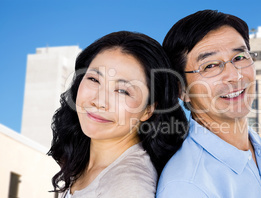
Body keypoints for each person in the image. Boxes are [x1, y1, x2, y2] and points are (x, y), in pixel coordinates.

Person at [156, 10, 261, 197]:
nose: (235, 76)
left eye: (240, 58)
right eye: (210, 66)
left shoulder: (256, 146)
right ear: (182, 90)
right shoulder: (186, 186)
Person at [48, 31, 188, 197]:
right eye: (94, 79)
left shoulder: (128, 186)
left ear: (148, 109)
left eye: (122, 91)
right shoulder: (84, 161)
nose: (99, 101)